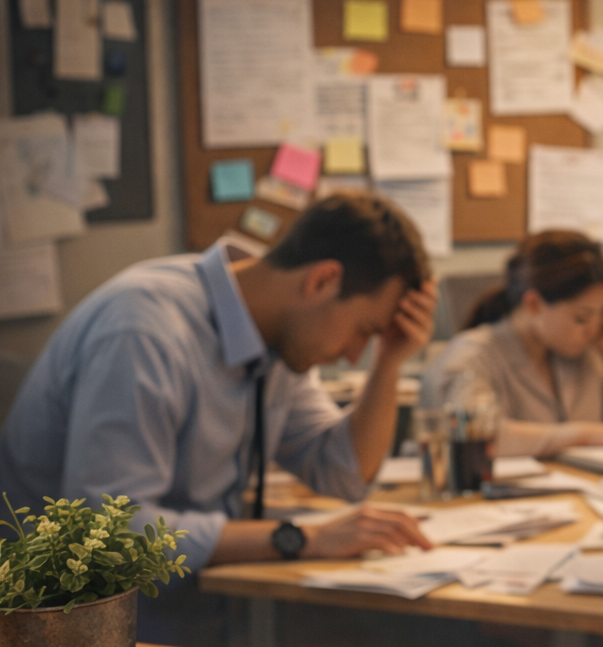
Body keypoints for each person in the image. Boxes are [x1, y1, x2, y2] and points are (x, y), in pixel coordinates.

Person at [0, 193, 438, 578]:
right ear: (322, 280)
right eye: (364, 330)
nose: (353, 355)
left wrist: (390, 362)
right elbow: (108, 535)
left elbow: (342, 473)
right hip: (62, 618)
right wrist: (300, 538)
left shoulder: (278, 337)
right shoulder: (144, 331)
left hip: (186, 605)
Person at [421, 231, 603, 457]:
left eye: (602, 317)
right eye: (582, 317)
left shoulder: (583, 353)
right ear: (534, 304)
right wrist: (583, 434)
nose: (593, 329)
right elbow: (476, 437)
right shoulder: (471, 357)